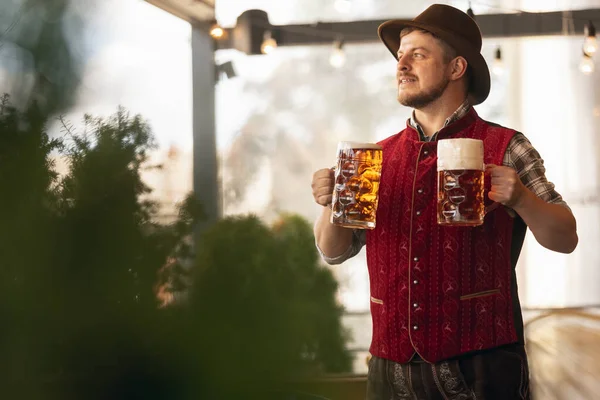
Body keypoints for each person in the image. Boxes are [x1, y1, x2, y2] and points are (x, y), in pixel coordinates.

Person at [311, 4, 578, 400]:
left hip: (482, 366)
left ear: (456, 68)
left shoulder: (507, 146)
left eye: (417, 54)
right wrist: (329, 204)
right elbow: (334, 252)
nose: (401, 65)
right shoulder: (374, 158)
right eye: (400, 56)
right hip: (389, 368)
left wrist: (521, 197)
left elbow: (566, 237)